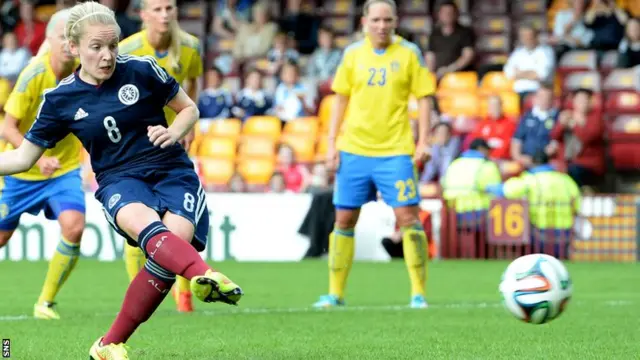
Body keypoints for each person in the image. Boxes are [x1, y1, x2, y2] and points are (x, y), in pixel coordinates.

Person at [0, 3, 243, 358]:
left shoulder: (142, 70)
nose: (107, 55)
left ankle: (108, 344)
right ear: (74, 48)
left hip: (171, 170)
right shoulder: (59, 99)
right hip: (119, 179)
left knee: (167, 254)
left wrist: (174, 132)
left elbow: (188, 108)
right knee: (153, 235)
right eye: (96, 47)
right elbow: (23, 157)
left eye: (112, 45)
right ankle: (206, 274)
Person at [312, 0, 434, 309]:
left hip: (396, 151)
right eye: (376, 19)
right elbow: (340, 100)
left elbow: (425, 99)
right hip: (354, 149)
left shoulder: (409, 53)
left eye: (387, 20)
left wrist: (424, 141)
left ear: (395, 21)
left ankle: (418, 293)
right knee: (344, 219)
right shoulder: (352, 54)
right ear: (365, 21)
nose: (382, 25)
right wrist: (331, 144)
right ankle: (335, 293)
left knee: (408, 218)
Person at [117, 0, 204, 313]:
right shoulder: (127, 49)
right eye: (157, 9)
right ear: (143, 15)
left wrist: (186, 129)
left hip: (174, 144)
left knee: (180, 219)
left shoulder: (191, 47)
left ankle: (184, 295)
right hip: (136, 147)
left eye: (169, 8)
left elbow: (192, 86)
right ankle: (137, 288)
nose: (164, 14)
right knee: (138, 221)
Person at [0, 9, 85, 320]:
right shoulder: (33, 74)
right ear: (47, 39)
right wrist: (37, 155)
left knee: (74, 227)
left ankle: (45, 303)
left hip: (62, 170)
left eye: (72, 37)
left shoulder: (84, 74)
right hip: (19, 173)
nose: (66, 43)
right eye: (61, 36)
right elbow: (8, 127)